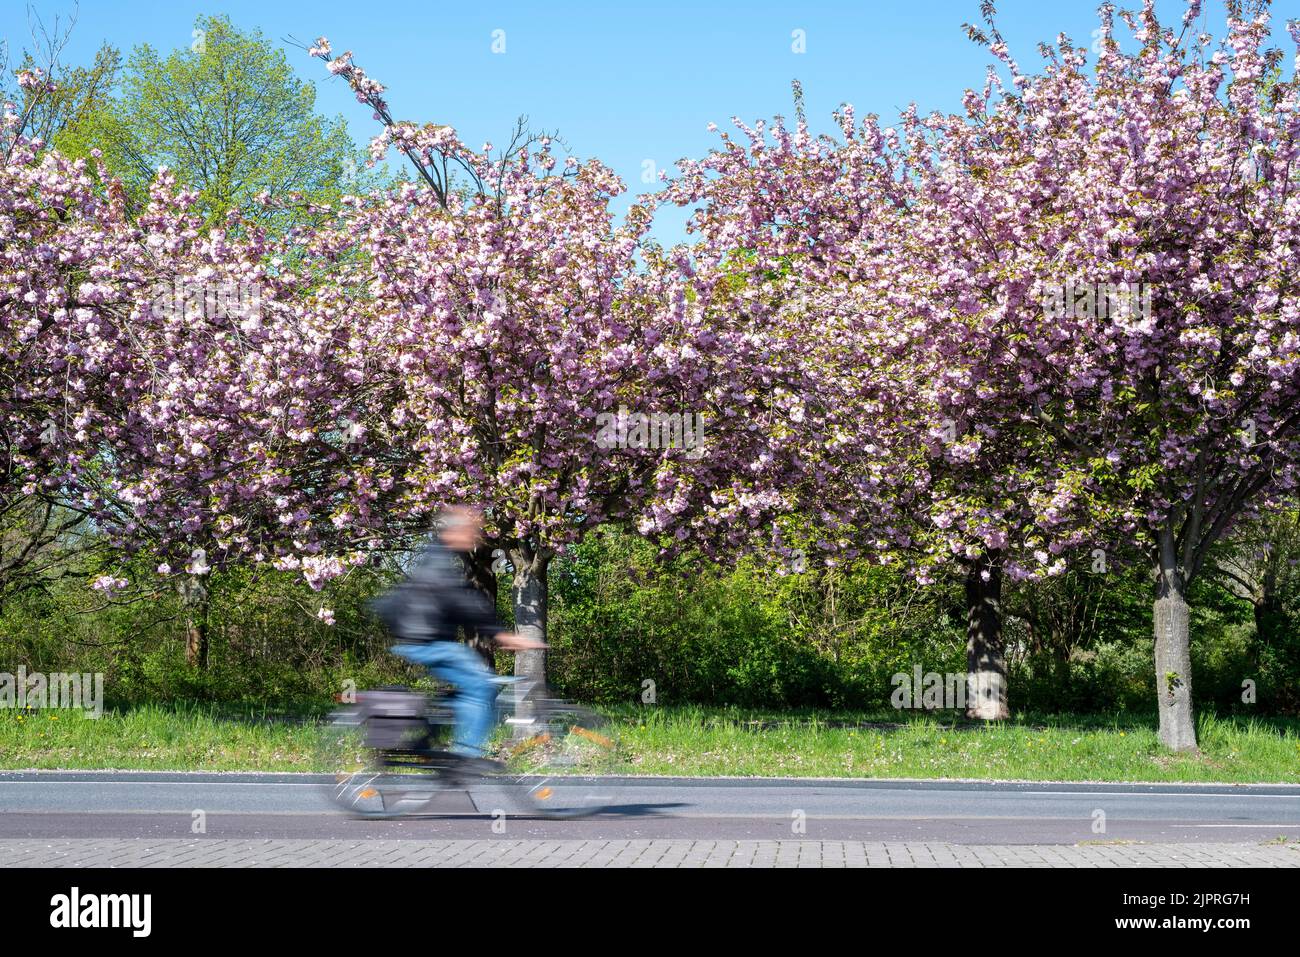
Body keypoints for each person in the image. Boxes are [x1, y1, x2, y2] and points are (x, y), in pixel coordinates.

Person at [381, 507, 544, 769]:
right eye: (469, 531)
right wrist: (503, 636)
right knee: (482, 686)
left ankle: (429, 737)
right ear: (453, 532)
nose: (475, 536)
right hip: (428, 642)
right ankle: (467, 755)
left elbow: (460, 602)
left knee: (465, 687)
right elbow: (461, 603)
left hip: (423, 638)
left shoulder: (439, 558)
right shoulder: (439, 564)